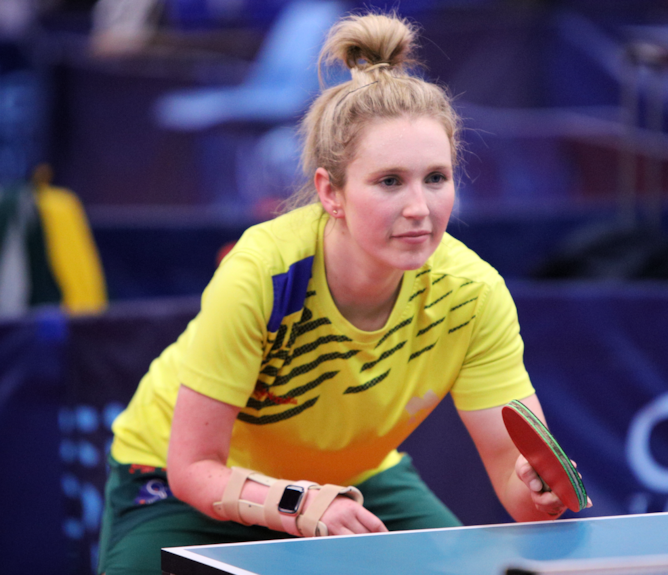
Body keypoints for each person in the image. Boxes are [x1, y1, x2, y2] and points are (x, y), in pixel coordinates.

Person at [97, 11, 589, 575]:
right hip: (175, 483)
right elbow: (192, 468)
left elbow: (517, 482)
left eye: (436, 178)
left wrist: (539, 489)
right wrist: (299, 503)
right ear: (330, 191)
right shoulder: (264, 272)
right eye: (389, 181)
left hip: (351, 484)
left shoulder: (473, 295)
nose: (418, 208)